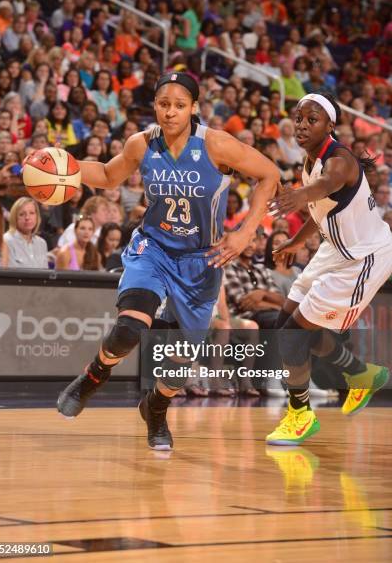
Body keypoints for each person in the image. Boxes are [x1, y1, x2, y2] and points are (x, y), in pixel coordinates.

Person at [50, 72, 280, 450]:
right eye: (163, 104)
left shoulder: (217, 145)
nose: (170, 112)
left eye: (179, 105)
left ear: (193, 108)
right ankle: (93, 377)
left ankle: (156, 410)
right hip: (153, 248)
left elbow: (269, 175)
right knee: (129, 327)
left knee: (179, 364)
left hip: (200, 260)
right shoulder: (142, 144)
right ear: (154, 106)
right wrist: (64, 169)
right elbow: (108, 175)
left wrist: (244, 232)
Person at [266, 92, 392, 446]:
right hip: (334, 249)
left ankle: (300, 416)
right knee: (284, 325)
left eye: (312, 119)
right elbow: (321, 206)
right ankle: (359, 373)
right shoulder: (310, 162)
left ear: (330, 125)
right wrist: (296, 240)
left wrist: (300, 196)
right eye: (299, 118)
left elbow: (328, 185)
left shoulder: (340, 160)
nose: (302, 125)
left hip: (363, 258)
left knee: (295, 335)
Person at [4, 197, 48, 268]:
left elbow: (46, 276)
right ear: (14, 218)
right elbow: (9, 276)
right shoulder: (6, 241)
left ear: (37, 217)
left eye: (32, 213)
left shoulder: (42, 243)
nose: (27, 217)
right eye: (22, 214)